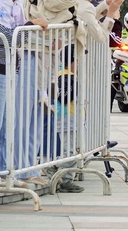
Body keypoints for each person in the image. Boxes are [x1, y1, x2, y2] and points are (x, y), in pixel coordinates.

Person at [0, 0, 48, 186]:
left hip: (8, 69)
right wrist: (32, 25)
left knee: (5, 124)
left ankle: (3, 172)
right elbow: (7, 38)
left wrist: (28, 27)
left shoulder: (14, 0)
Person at [44, 45, 85, 193]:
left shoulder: (63, 73)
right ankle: (58, 172)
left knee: (72, 150)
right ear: (73, 60)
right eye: (79, 59)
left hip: (69, 117)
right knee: (70, 151)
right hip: (68, 117)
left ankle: (62, 174)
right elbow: (65, 97)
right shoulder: (67, 76)